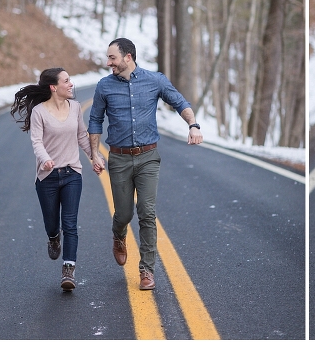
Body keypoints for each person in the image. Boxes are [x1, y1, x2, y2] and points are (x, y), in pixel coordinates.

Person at [88, 38, 203, 291]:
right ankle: (119, 235)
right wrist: (94, 154)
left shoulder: (155, 80)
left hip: (148, 157)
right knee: (124, 214)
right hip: (118, 158)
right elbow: (95, 120)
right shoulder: (104, 87)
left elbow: (180, 103)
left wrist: (193, 125)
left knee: (147, 213)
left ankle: (146, 270)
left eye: (112, 58)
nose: (108, 63)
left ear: (128, 57)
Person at [11, 68, 106, 291]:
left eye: (71, 80)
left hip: (72, 173)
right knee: (52, 223)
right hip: (47, 177)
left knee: (70, 224)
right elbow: (36, 142)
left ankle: (68, 270)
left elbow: (82, 136)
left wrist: (94, 156)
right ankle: (53, 238)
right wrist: (45, 160)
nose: (71, 84)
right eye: (66, 81)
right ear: (54, 87)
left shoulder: (74, 108)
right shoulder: (39, 113)